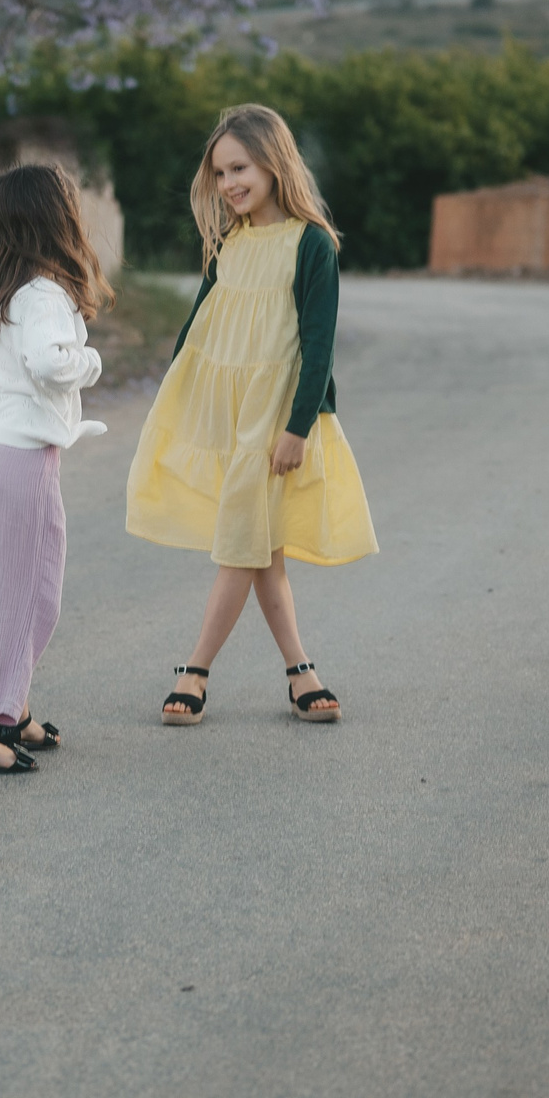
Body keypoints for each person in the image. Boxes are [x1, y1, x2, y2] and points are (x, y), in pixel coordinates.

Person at [124, 103, 378, 725]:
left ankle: (195, 670)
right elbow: (199, 330)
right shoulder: (228, 243)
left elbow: (318, 344)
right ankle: (301, 674)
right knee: (261, 548)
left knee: (242, 543)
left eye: (239, 167)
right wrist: (176, 406)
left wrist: (298, 427)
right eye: (219, 173)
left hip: (275, 423)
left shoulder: (311, 244)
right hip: (230, 418)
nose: (229, 183)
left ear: (272, 162)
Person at [0, 163, 111, 773]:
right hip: (16, 460)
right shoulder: (41, 291)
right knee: (13, 598)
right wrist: (88, 360)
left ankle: (10, 711)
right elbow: (51, 363)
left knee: (34, 592)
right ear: (58, 217)